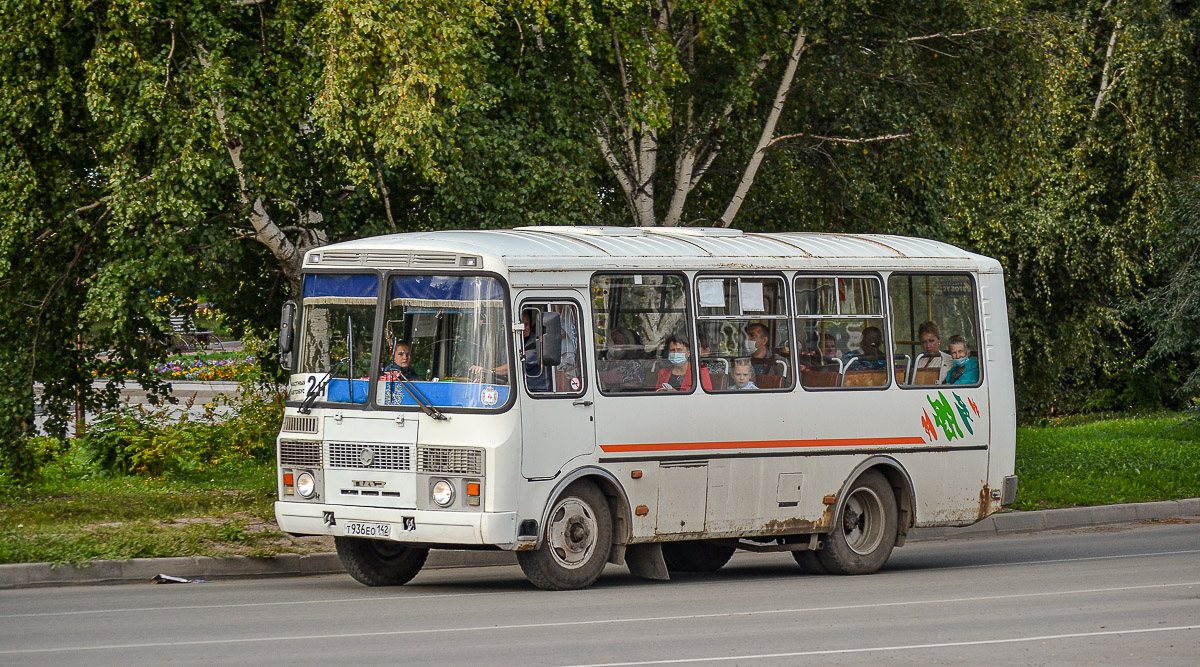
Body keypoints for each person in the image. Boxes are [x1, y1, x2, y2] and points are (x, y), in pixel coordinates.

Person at [470, 311, 550, 391]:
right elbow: (506, 377)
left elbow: (514, 366)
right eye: (522, 326)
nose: (524, 329)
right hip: (518, 390)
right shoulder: (511, 343)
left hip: (535, 392)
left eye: (526, 325)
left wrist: (487, 371)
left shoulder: (536, 344)